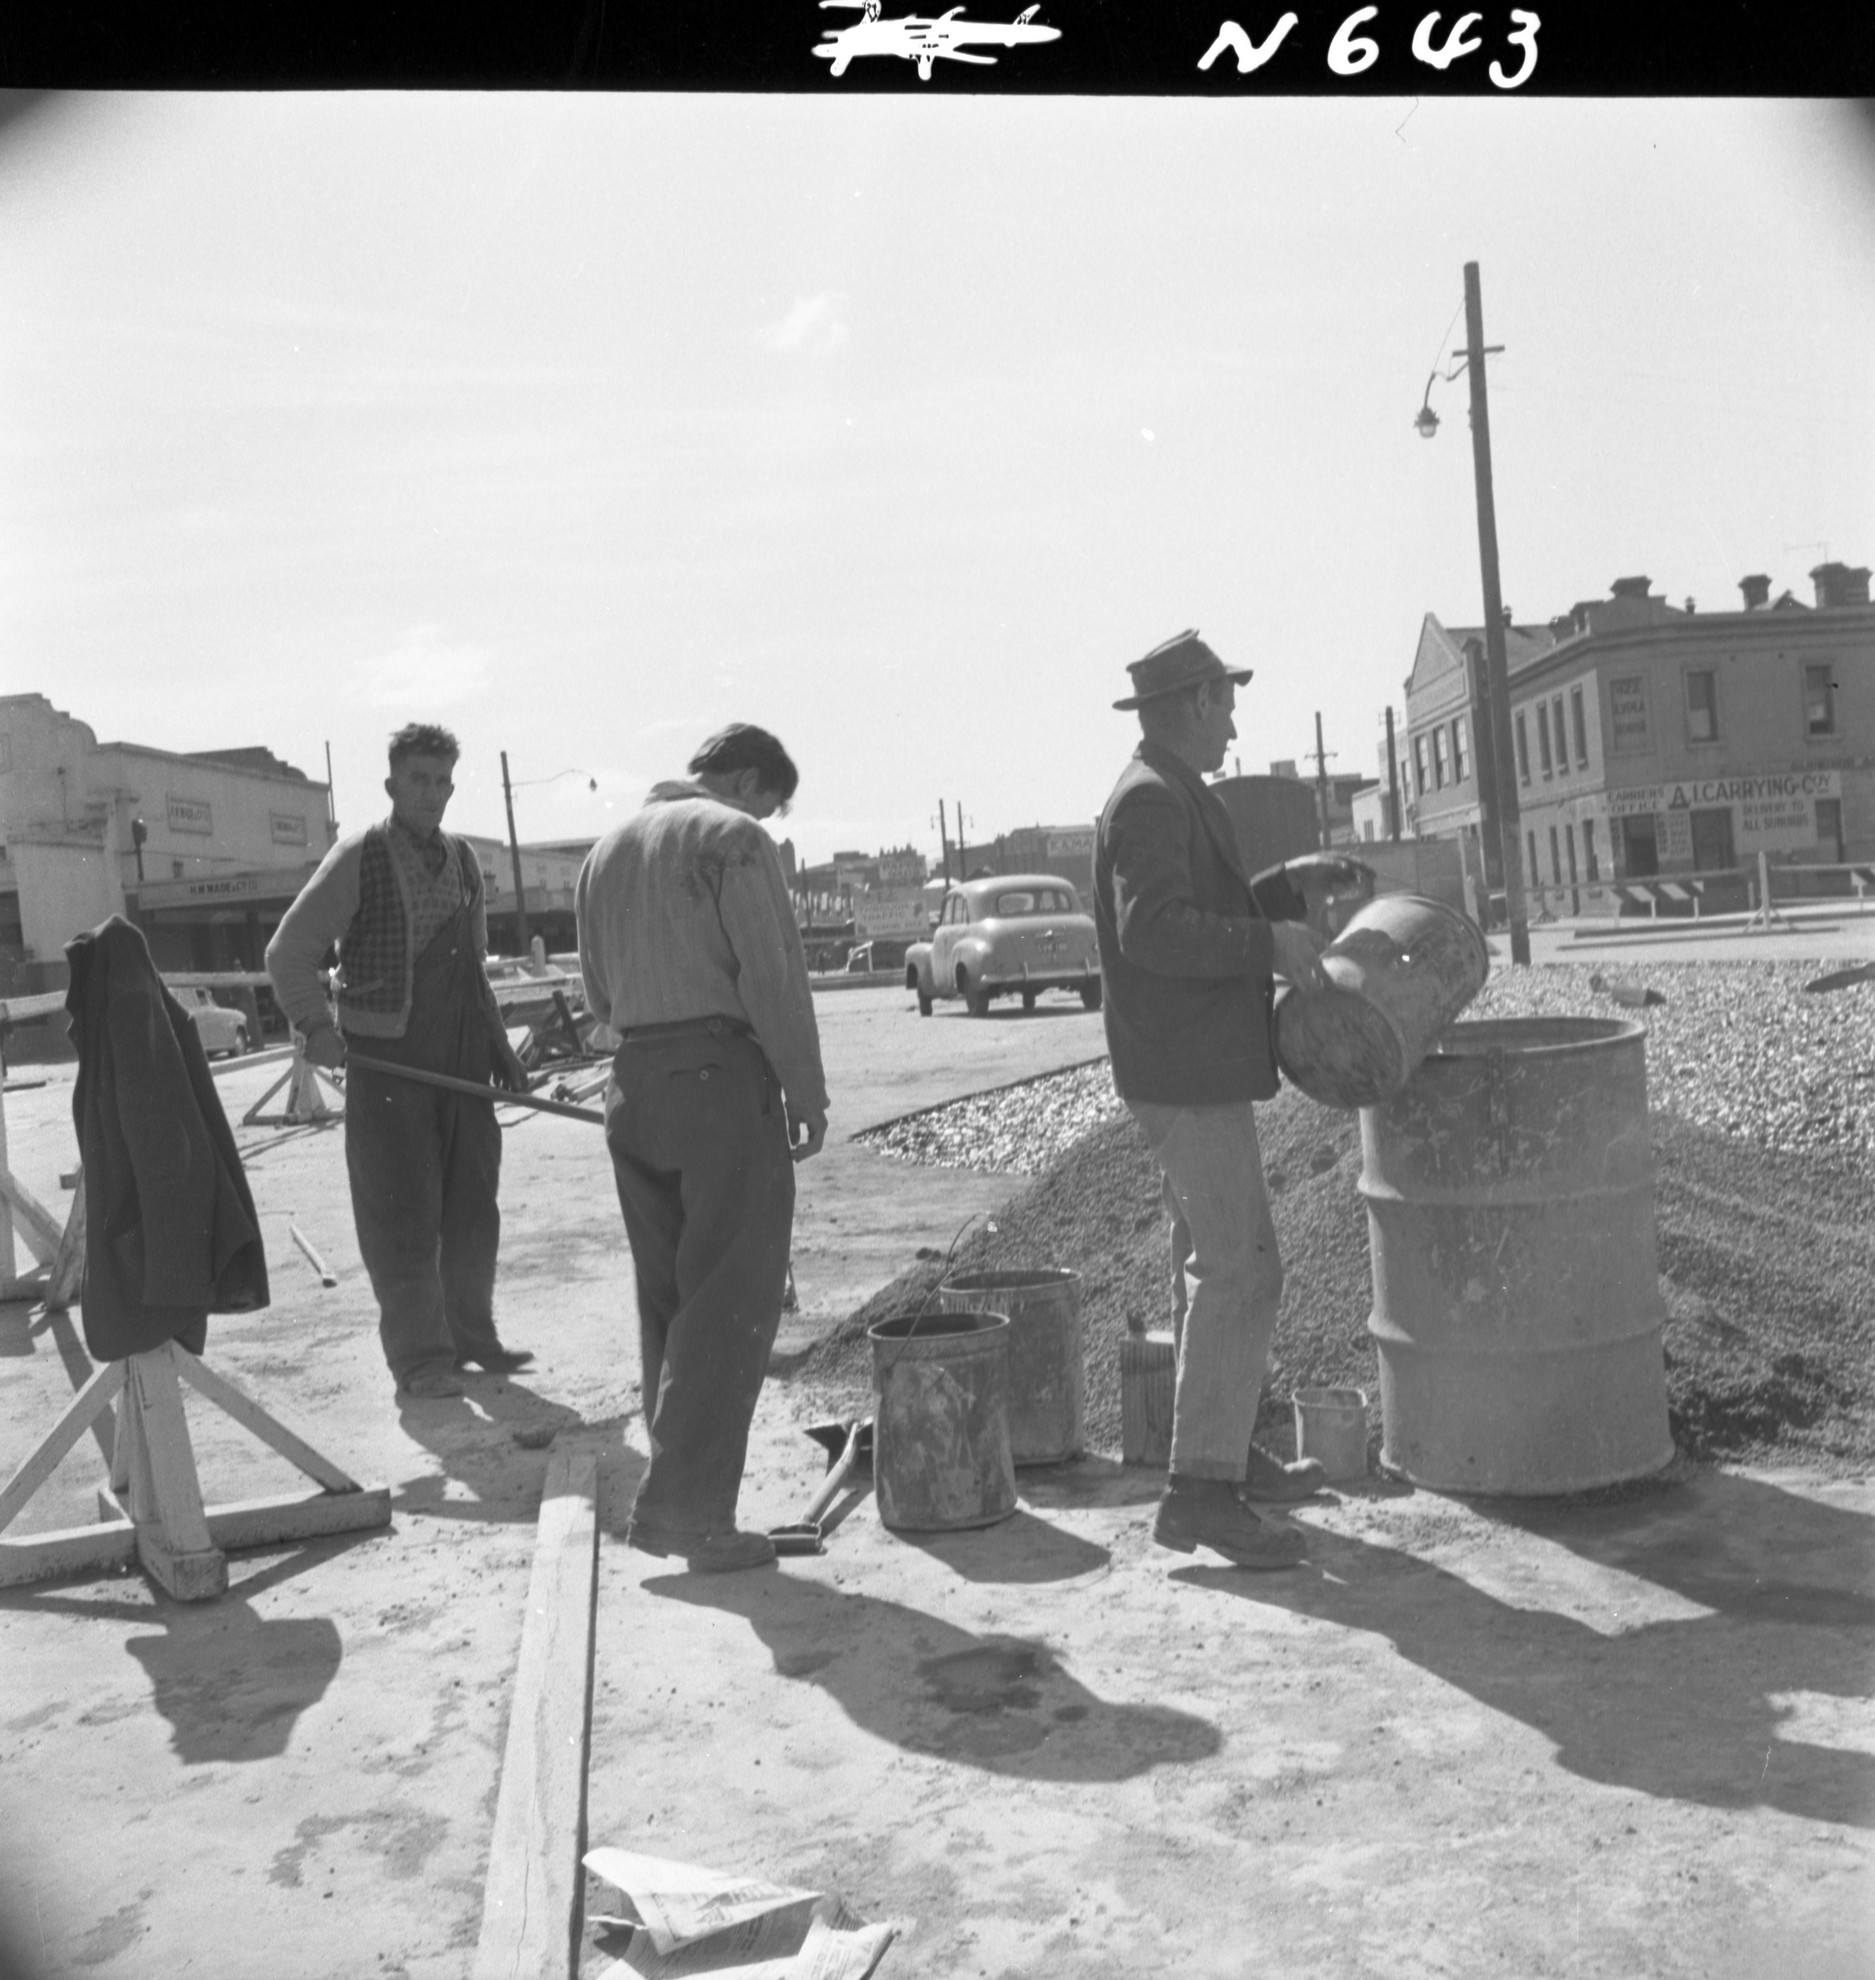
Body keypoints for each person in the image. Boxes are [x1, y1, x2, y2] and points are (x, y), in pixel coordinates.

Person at [1094, 630, 1333, 1570]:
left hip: (1183, 1068)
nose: (1233, 721)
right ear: (1193, 703)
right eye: (1225, 703)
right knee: (1240, 1272)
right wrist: (1266, 944)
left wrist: (1274, 899)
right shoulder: (1152, 798)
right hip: (1183, 1076)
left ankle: (1221, 1457)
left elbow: (1193, 903)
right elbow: (1151, 929)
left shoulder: (1166, 791)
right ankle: (1199, 1495)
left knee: (1210, 1266)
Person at [575, 723, 829, 1573]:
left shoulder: (604, 851)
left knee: (670, 1301)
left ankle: (674, 1488)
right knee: (729, 1300)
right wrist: (805, 1091)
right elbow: (773, 979)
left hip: (634, 1084)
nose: (772, 820)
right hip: (720, 1082)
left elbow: (599, 995)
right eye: (772, 802)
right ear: (749, 782)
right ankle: (689, 1514)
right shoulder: (732, 839)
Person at [266, 722, 532, 1400]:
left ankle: (474, 1338)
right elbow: (287, 952)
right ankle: (419, 1362)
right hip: (391, 1065)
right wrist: (316, 1028)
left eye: (443, 780)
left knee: (473, 1207)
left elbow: (472, 968)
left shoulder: (465, 859)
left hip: (462, 1059)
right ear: (391, 784)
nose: (434, 794)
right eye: (419, 780)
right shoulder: (360, 855)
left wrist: (499, 1048)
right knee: (401, 1214)